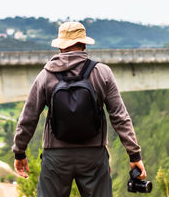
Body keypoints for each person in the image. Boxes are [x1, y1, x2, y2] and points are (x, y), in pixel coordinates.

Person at [12, 21, 147, 197]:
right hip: (94, 156)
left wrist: (19, 151)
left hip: (55, 158)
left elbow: (28, 118)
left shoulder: (45, 76)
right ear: (83, 44)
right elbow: (120, 117)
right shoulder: (102, 73)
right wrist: (134, 155)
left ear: (60, 46)